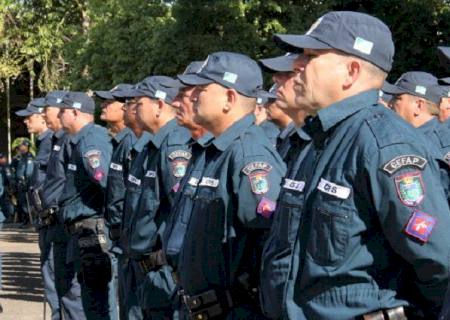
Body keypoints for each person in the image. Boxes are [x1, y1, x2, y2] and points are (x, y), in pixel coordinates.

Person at [261, 11, 450, 319]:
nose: (297, 65)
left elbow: (438, 262)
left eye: (310, 56)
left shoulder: (383, 144)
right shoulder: (316, 140)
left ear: (350, 71)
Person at [176, 51, 286, 319]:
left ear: (229, 98)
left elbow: (270, 241)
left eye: (202, 89)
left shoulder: (249, 155)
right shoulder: (217, 151)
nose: (192, 96)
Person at [119, 75, 190, 318]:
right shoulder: (149, 147)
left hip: (161, 274)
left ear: (159, 106)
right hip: (141, 270)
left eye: (139, 103)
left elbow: (181, 213)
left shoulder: (173, 146)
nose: (133, 109)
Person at [56, 92, 115, 320]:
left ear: (75, 112)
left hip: (92, 230)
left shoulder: (92, 139)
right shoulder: (81, 139)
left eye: (63, 111)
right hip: (82, 231)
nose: (60, 115)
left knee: (98, 303)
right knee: (90, 299)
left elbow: (107, 183)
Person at [41, 90, 86, 320]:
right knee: (59, 285)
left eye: (48, 109)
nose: (45, 114)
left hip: (67, 224)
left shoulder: (71, 140)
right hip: (54, 225)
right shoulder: (56, 140)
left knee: (72, 291)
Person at [16, 97, 62, 319]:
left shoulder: (53, 143)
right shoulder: (45, 143)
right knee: (49, 273)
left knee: (54, 274)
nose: (26, 122)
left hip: (52, 220)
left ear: (44, 118)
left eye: (30, 117)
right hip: (43, 219)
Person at [384, 72, 450, 163]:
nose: (389, 103)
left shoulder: (443, 147)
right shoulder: (406, 135)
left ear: (418, 105)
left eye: (397, 98)